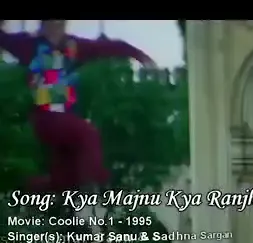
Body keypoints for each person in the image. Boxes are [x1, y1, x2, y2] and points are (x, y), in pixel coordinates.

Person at [0, 20, 157, 193]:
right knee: (88, 134)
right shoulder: (29, 45)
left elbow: (110, 47)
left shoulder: (74, 46)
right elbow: (3, 39)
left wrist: (140, 56)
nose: (57, 29)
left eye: (60, 24)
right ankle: (91, 189)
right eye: (53, 25)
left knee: (66, 178)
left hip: (67, 119)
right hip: (46, 118)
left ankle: (26, 188)